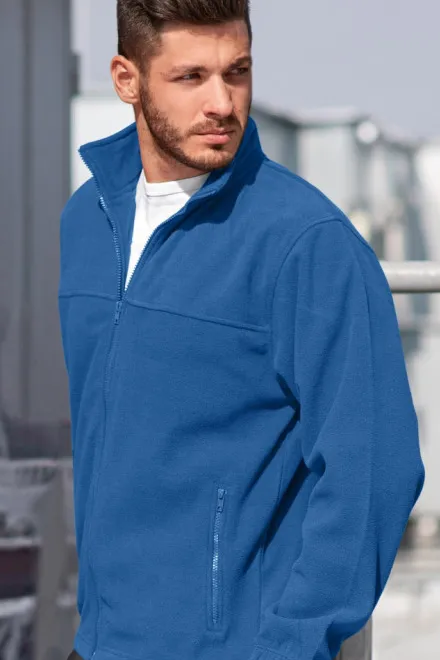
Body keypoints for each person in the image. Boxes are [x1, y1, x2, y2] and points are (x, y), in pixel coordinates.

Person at [58, 2, 425, 660]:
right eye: (191, 77)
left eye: (238, 71)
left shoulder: (308, 243)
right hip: (100, 643)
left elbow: (373, 471)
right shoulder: (86, 222)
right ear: (127, 79)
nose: (223, 103)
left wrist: (293, 645)